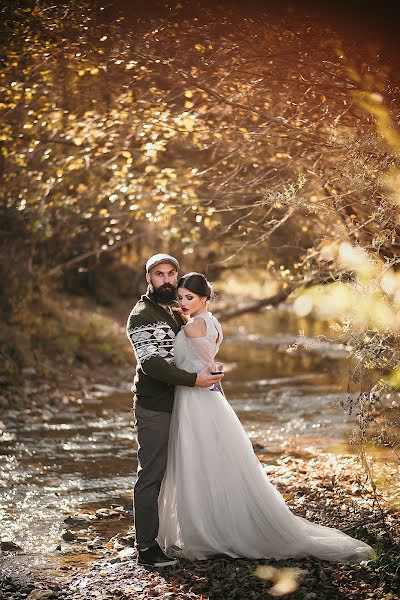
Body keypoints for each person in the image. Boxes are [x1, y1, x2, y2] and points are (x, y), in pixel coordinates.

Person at [157, 272, 375, 563]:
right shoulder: (210, 322)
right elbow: (205, 356)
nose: (183, 302)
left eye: (190, 298)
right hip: (205, 399)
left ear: (204, 299)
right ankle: (215, 523)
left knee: (197, 460)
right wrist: (186, 320)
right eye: (181, 297)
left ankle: (207, 530)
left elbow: (200, 362)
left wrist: (184, 326)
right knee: (211, 461)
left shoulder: (195, 325)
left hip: (194, 400)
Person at [126, 254, 223, 568]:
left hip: (184, 405)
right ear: (149, 279)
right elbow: (153, 365)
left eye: (171, 274)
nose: (166, 280)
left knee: (186, 471)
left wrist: (206, 369)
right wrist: (194, 380)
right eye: (159, 274)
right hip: (155, 406)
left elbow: (190, 349)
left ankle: (186, 534)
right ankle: (146, 549)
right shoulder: (141, 315)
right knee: (151, 475)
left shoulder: (172, 311)